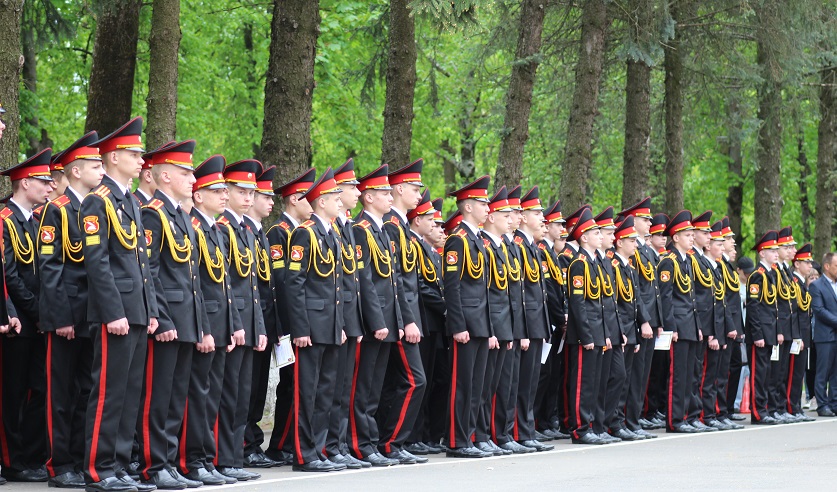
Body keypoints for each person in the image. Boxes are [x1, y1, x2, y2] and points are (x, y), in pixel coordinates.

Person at [81, 117, 159, 492]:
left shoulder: (129, 201)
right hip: (116, 312)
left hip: (137, 310)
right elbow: (97, 264)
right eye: (134, 154)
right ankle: (99, 469)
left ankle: (121, 465)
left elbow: (142, 264)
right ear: (114, 157)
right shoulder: (97, 202)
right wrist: (114, 312)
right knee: (109, 393)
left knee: (130, 394)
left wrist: (150, 310)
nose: (141, 160)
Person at [137, 140, 207, 489]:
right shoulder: (153, 213)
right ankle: (154, 465)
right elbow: (149, 271)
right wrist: (161, 318)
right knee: (158, 397)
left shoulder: (180, 216)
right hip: (168, 320)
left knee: (177, 397)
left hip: (186, 320)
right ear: (164, 176)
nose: (192, 179)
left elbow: (192, 278)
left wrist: (200, 324)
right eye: (185, 173)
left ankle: (171, 461)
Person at [39, 132, 105, 488]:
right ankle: (59, 464)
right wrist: (61, 317)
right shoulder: (58, 209)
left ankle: (80, 459)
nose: (101, 170)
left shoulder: (96, 206)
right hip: (67, 315)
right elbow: (50, 268)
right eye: (95, 165)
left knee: (86, 391)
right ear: (76, 171)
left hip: (92, 315)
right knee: (61, 393)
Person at [181, 155, 239, 486]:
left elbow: (224, 285)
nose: (224, 196)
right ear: (199, 196)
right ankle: (193, 459)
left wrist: (232, 325)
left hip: (219, 324)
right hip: (204, 325)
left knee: (212, 395)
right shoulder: (194, 227)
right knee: (198, 396)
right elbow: (196, 285)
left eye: (224, 191)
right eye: (217, 191)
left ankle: (205, 458)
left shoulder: (215, 229)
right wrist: (204, 328)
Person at [286, 168, 347, 472]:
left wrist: (341, 325)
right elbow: (294, 283)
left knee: (325, 392)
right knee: (307, 392)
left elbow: (336, 286)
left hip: (330, 325)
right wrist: (300, 328)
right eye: (336, 197)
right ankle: (304, 454)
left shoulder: (331, 233)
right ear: (321, 201)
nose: (340, 202)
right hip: (311, 326)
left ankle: (319, 449)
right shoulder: (305, 233)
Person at [0, 148, 54, 483]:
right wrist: (36, 311)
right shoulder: (5, 219)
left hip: (37, 320)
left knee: (39, 389)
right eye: (43, 181)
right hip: (17, 320)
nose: (50, 187)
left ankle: (32, 456)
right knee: (13, 391)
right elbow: (9, 275)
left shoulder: (36, 221)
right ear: (24, 182)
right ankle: (11, 460)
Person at [215, 160, 268, 481]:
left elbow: (253, 287)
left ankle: (234, 458)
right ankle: (222, 458)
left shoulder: (245, 230)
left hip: (248, 322)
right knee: (228, 394)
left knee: (241, 395)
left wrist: (258, 327)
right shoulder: (221, 228)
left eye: (251, 193)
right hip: (232, 323)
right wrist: (235, 324)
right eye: (240, 192)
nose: (248, 198)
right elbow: (225, 285)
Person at [348, 164, 400, 467]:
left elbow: (392, 282)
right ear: (368, 197)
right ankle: (360, 444)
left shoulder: (381, 230)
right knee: (363, 387)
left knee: (374, 387)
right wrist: (378, 321)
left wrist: (396, 321)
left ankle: (370, 441)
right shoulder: (361, 230)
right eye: (384, 193)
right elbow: (364, 280)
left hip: (386, 319)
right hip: (372, 322)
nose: (391, 197)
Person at [264, 167, 315, 464]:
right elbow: (282, 282)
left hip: (297, 319)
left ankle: (286, 442)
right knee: (291, 385)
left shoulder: (301, 232)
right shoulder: (279, 232)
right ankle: (280, 444)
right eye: (309, 196)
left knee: (298, 385)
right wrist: (290, 324)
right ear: (295, 199)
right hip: (288, 321)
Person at [378, 160, 428, 464]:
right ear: (398, 190)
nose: (419, 195)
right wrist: (407, 320)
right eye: (414, 189)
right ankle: (390, 441)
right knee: (414, 380)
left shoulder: (401, 227)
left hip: (406, 316)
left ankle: (392, 441)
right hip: (398, 317)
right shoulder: (391, 227)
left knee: (398, 381)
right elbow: (394, 280)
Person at [324, 159, 372, 469]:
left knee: (344, 388)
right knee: (331, 387)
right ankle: (331, 445)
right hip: (336, 318)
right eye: (351, 188)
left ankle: (339, 445)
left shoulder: (347, 227)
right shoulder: (330, 228)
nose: (357, 193)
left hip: (350, 317)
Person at [443, 176, 495, 459]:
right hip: (466, 324)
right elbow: (452, 288)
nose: (487, 208)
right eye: (482, 203)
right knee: (462, 385)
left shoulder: (478, 240)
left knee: (477, 385)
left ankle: (471, 436)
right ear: (468, 207)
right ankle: (457, 440)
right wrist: (458, 325)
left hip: (481, 323)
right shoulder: (457, 240)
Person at [242, 164, 282, 469]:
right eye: (264, 197)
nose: (270, 202)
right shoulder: (243, 231)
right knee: (247, 387)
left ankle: (252, 441)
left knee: (256, 387)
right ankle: (245, 443)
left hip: (264, 321)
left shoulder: (259, 234)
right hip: (248, 322)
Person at [511, 187, 553, 452]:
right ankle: (519, 432)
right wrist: (524, 329)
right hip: (526, 325)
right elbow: (520, 293)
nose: (542, 219)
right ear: (524, 217)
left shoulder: (532, 247)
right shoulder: (518, 245)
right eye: (537, 213)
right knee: (522, 382)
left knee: (531, 382)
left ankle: (527, 430)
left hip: (536, 323)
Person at [617, 198, 661, 439]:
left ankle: (634, 419)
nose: (649, 223)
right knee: (632, 376)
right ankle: (628, 420)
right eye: (645, 219)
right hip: (636, 320)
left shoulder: (645, 251)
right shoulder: (633, 252)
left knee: (641, 374)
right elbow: (637, 293)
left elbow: (653, 290)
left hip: (649, 320)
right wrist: (644, 319)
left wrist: (657, 320)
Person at [475, 187, 514, 456]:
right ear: (491, 218)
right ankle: (480, 434)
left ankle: (487, 434)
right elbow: (484, 294)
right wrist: (490, 329)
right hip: (490, 325)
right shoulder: (485, 246)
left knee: (493, 386)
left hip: (502, 325)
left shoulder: (500, 247)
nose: (512, 220)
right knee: (483, 385)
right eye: (506, 215)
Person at [606, 216, 651, 441]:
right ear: (620, 242)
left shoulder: (630, 268)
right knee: (618, 377)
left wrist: (643, 322)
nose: (635, 244)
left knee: (626, 380)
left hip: (630, 329)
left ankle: (620, 421)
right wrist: (621, 331)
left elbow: (636, 300)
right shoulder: (614, 266)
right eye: (631, 241)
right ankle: (613, 422)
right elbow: (614, 303)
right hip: (620, 329)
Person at [565, 207, 607, 445]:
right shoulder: (579, 264)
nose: (600, 236)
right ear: (584, 237)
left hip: (597, 331)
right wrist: (586, 335)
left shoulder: (594, 262)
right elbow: (578, 303)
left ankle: (590, 425)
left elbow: (600, 303)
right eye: (595, 233)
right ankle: (580, 428)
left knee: (594, 382)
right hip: (586, 333)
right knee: (583, 383)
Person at [658, 211, 703, 433]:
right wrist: (670, 327)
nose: (692, 238)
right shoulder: (669, 262)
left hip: (690, 325)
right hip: (678, 326)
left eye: (692, 234)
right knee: (677, 375)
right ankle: (675, 420)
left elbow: (691, 298)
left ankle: (685, 416)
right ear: (675, 237)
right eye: (687, 235)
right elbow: (666, 298)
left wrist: (697, 326)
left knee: (689, 375)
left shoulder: (687, 261)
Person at [746, 231, 781, 425]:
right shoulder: (757, 276)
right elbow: (753, 308)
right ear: (762, 253)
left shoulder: (770, 274)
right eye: (772, 250)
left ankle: (764, 408)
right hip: (760, 334)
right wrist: (758, 334)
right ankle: (758, 412)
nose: (776, 253)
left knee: (766, 373)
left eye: (776, 250)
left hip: (769, 332)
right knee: (758, 375)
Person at [788, 243, 815, 421]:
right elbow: (794, 313)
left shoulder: (802, 284)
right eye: (807, 262)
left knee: (799, 373)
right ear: (797, 264)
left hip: (803, 335)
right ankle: (792, 407)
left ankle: (796, 407)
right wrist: (797, 336)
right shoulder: (794, 283)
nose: (810, 266)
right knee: (794, 373)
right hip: (797, 335)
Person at [809, 251, 837, 417]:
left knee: (836, 372)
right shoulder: (816, 286)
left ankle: (834, 403)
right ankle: (822, 405)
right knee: (823, 372)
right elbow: (819, 310)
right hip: (825, 336)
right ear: (827, 266)